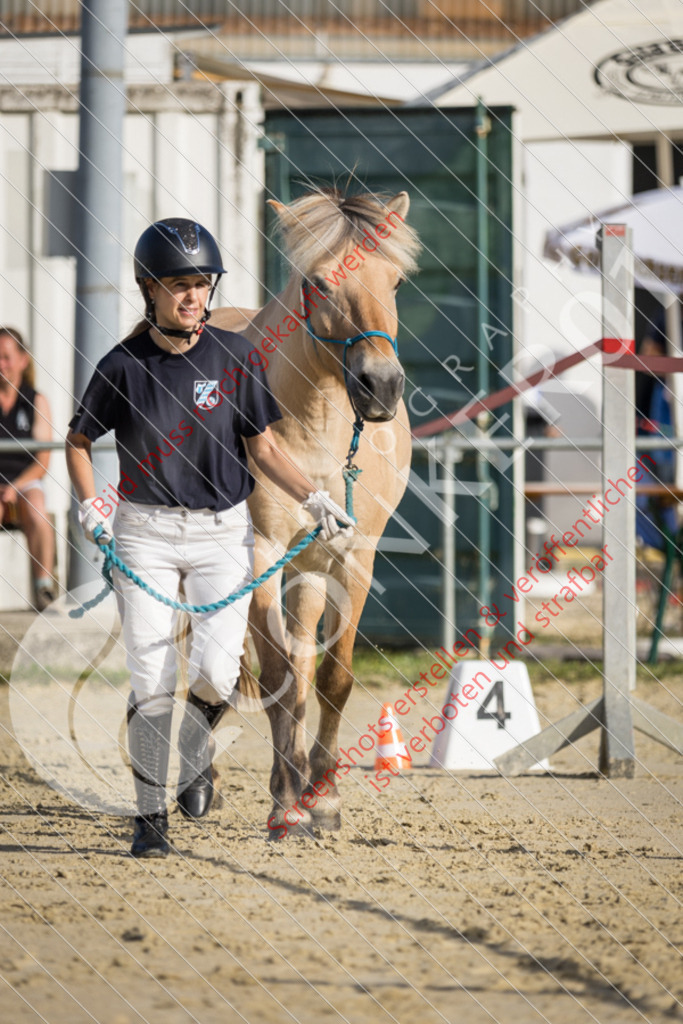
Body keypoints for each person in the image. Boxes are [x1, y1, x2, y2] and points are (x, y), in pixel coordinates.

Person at [66, 218, 354, 859]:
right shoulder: (123, 365)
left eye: (201, 284)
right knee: (152, 674)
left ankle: (196, 742)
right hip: (144, 531)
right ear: (150, 289)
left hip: (225, 529)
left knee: (220, 674)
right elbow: (79, 439)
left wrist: (311, 495)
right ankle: (149, 819)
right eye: (179, 285)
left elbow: (265, 444)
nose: (193, 296)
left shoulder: (236, 358)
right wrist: (91, 506)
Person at [0, 327, 57, 610]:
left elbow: (42, 462)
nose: (2, 364)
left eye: (7, 357)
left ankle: (44, 588)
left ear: (23, 360)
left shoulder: (37, 401)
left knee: (37, 507)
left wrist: (13, 488)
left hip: (24, 483)